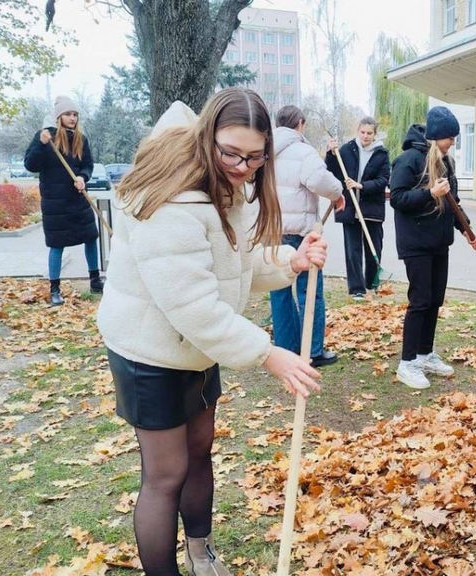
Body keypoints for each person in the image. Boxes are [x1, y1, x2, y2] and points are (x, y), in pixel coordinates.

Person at [96, 89, 326, 576]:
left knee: (200, 452)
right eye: (232, 153)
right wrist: (269, 354)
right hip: (148, 351)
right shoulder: (170, 198)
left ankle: (200, 553)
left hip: (196, 348)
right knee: (166, 474)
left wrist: (292, 261)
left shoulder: (224, 184)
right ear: (208, 137)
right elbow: (193, 305)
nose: (243, 167)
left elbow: (233, 266)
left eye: (255, 157)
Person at [389, 106, 476, 390]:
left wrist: (467, 230)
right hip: (416, 243)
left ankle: (424, 354)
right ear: (436, 135)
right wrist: (430, 193)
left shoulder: (446, 162)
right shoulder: (408, 160)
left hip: (440, 242)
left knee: (435, 300)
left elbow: (453, 202)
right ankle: (407, 363)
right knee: (420, 301)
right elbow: (397, 199)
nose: (452, 142)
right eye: (449, 137)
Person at [271, 105, 345, 367]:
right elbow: (318, 180)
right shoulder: (303, 151)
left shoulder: (264, 151)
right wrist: (338, 193)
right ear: (300, 123)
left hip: (273, 229)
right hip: (300, 233)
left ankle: (286, 345)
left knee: (278, 288)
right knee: (310, 290)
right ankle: (312, 349)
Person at [24, 95, 102, 306]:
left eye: (75, 114)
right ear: (59, 117)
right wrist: (41, 144)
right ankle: (55, 289)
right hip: (55, 203)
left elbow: (87, 165)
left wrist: (82, 177)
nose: (72, 118)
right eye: (68, 114)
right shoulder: (45, 136)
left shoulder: (81, 139)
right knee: (57, 245)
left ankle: (95, 280)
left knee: (91, 238)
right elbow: (31, 165)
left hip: (78, 200)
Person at [325, 116, 390, 300]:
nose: (365, 136)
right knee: (353, 251)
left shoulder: (381, 154)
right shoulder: (346, 150)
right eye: (362, 132)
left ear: (375, 134)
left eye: (369, 133)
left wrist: (361, 186)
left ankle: (372, 283)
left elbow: (383, 180)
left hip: (372, 209)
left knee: (374, 248)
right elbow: (332, 171)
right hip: (350, 207)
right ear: (358, 131)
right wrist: (331, 153)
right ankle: (357, 289)